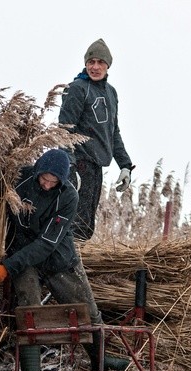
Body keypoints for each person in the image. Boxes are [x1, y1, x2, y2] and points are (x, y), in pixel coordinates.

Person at [0, 148, 127, 371]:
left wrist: (8, 267)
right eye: (44, 179)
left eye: (54, 182)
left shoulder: (69, 196)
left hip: (57, 257)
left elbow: (47, 243)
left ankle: (100, 359)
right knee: (28, 310)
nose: (48, 185)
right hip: (22, 254)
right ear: (38, 171)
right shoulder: (19, 178)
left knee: (87, 311)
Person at [59, 38, 135, 241]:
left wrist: (125, 165)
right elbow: (65, 129)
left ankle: (78, 263)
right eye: (91, 62)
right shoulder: (77, 88)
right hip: (80, 162)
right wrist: (70, 167)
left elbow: (113, 132)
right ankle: (67, 268)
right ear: (85, 64)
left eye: (100, 62)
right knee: (75, 222)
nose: (95, 66)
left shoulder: (111, 93)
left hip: (97, 166)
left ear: (108, 65)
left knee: (86, 224)